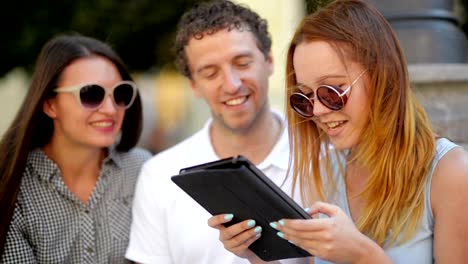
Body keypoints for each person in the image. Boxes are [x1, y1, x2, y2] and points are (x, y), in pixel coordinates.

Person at [215, 0, 468, 263]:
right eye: (305, 98)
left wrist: (363, 255)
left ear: (382, 77)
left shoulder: (449, 173)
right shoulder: (324, 170)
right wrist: (257, 251)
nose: (317, 111)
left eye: (331, 91)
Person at [125, 1, 310, 263]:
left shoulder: (325, 156)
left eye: (243, 63)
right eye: (210, 73)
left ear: (269, 61)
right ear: (194, 85)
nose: (232, 85)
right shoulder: (159, 176)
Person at [0, 33, 152, 263]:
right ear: (50, 104)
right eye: (91, 94)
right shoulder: (12, 187)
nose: (111, 109)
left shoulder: (141, 169)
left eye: (120, 93)